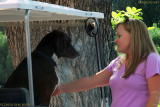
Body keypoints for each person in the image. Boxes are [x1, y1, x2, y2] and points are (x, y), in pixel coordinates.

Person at [51, 19, 160, 107]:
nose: (116, 40)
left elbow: (155, 95)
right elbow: (90, 81)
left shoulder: (151, 59)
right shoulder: (118, 62)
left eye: (119, 36)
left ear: (134, 36)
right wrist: (61, 88)